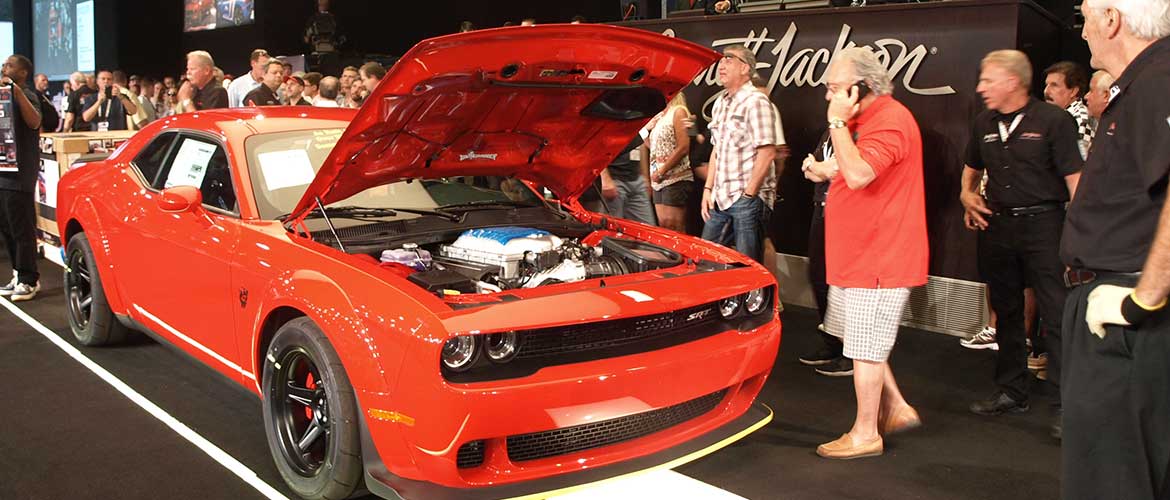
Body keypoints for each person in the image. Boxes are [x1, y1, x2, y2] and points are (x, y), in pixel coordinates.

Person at [1060, 0, 1170, 498]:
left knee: (1113, 479)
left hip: (1127, 316)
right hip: (1118, 308)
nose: (1080, 31)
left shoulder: (1158, 80)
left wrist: (1141, 298)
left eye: (1084, 16)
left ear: (1111, 18)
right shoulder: (1141, 85)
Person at [806, 47, 927, 460]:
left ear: (860, 88)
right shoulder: (869, 120)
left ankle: (865, 434)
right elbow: (861, 165)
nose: (829, 97)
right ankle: (895, 406)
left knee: (866, 349)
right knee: (860, 341)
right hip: (858, 256)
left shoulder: (890, 119)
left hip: (879, 257)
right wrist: (826, 168)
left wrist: (837, 122)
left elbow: (859, 174)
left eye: (835, 89)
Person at [960, 50, 1082, 432]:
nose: (980, 88)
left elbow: (1076, 183)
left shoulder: (1054, 121)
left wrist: (1078, 238)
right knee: (1006, 311)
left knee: (1058, 315)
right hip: (999, 227)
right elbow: (970, 169)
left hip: (1046, 226)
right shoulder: (983, 122)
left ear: (1013, 81)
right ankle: (1012, 391)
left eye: (987, 80)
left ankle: (1068, 405)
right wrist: (966, 194)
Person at [701, 44, 778, 263]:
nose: (721, 65)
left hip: (746, 197)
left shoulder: (756, 101)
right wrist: (708, 189)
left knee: (748, 265)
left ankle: (752, 298)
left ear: (745, 68)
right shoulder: (720, 103)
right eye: (721, 60)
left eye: (728, 59)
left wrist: (749, 194)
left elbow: (767, 152)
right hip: (721, 196)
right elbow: (717, 148)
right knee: (707, 257)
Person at [797, 129, 852, 377]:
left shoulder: (859, 130)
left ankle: (850, 353)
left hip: (847, 213)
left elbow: (836, 170)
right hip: (821, 209)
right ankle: (831, 341)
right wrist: (818, 167)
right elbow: (810, 170)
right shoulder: (828, 133)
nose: (829, 96)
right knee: (818, 277)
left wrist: (817, 167)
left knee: (843, 283)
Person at [0, 55, 44, 302]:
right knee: (7, 226)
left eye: (9, 65)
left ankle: (30, 279)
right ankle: (18, 273)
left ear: (23, 72)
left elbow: (35, 121)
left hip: (20, 173)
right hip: (3, 171)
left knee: (21, 228)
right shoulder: (3, 94)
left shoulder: (27, 93)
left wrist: (16, 93)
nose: (4, 67)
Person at [644, 91, 693, 233]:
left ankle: (681, 255)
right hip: (658, 180)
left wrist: (662, 170)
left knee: (675, 226)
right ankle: (669, 255)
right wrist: (645, 130)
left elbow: (683, 147)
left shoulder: (678, 111)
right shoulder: (659, 116)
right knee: (664, 225)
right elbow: (653, 147)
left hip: (675, 177)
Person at [598, 137, 654, 225]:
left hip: (636, 179)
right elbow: (597, 145)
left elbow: (640, 143)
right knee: (613, 228)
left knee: (647, 226)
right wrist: (604, 178)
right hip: (614, 179)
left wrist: (645, 176)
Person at [1043, 61, 1094, 158]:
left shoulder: (1081, 120)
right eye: (1046, 85)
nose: (1046, 91)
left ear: (1073, 91)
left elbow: (1082, 161)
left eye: (1054, 85)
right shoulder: (1054, 115)